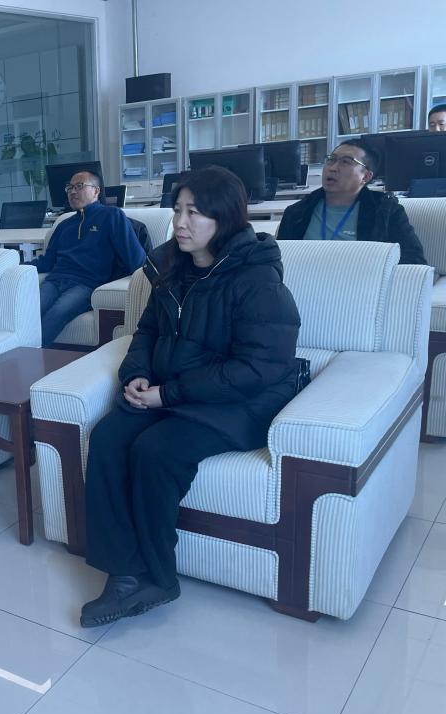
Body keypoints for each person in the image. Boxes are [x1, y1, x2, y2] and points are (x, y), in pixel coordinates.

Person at [79, 166, 301, 627]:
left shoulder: (257, 278)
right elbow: (147, 331)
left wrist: (168, 395)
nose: (180, 223)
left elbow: (259, 367)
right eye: (178, 210)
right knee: (107, 438)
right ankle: (123, 573)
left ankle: (159, 579)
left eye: (194, 213)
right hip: (172, 389)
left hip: (238, 401)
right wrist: (137, 375)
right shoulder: (171, 268)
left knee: (155, 451)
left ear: (225, 218)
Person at [31, 171, 145, 347]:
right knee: (29, 311)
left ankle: (27, 354)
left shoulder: (112, 216)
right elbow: (47, 262)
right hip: (54, 281)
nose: (72, 192)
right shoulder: (64, 224)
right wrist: (17, 266)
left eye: (79, 186)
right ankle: (12, 354)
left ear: (96, 191)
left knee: (57, 312)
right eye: (69, 187)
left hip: (86, 284)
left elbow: (136, 259)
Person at [276, 139, 427, 264]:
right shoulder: (297, 212)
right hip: (304, 285)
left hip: (362, 285)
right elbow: (279, 261)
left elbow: (413, 261)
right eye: (331, 160)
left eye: (346, 162)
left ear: (366, 176)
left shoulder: (385, 211)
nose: (333, 168)